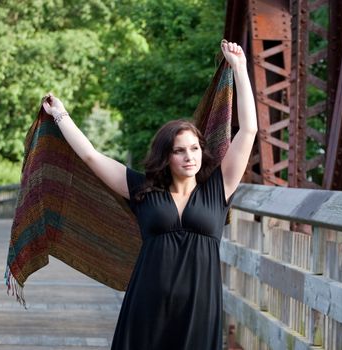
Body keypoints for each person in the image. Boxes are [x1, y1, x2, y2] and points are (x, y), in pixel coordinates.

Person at [41, 40, 257, 350]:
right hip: (148, 302)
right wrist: (61, 115)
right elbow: (90, 156)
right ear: (165, 156)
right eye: (179, 151)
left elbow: (248, 131)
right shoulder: (142, 189)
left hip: (200, 306)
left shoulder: (218, 188)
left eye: (194, 149)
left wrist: (240, 68)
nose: (189, 157)